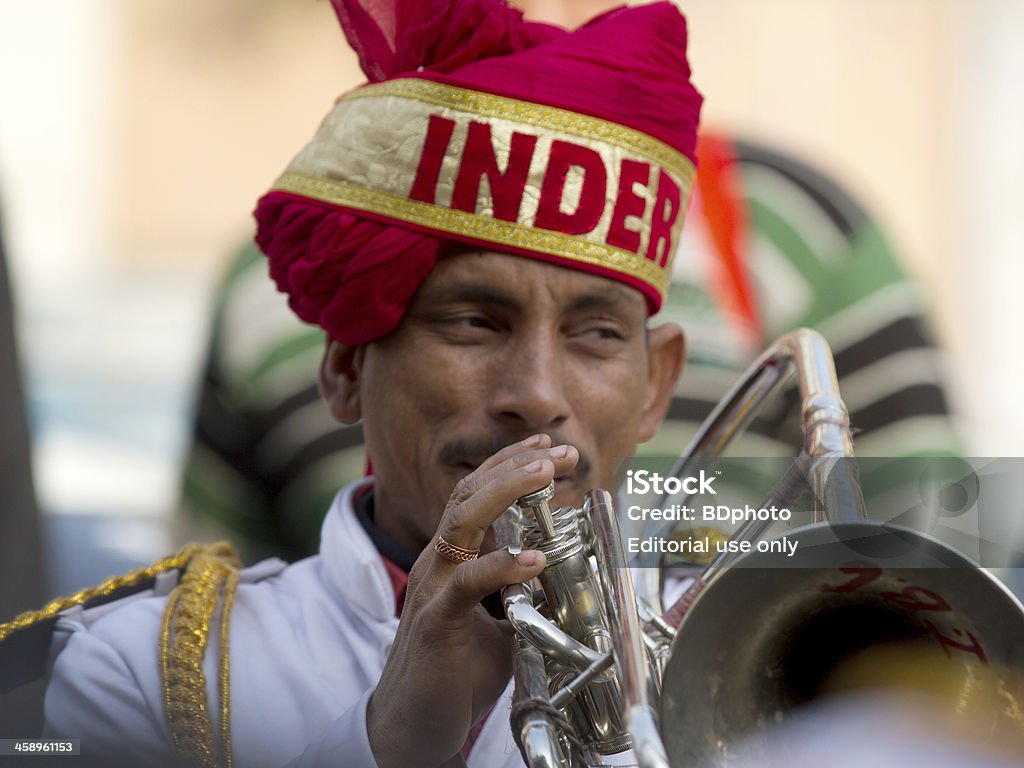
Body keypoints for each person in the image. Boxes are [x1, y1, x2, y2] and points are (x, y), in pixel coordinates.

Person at [24, 1, 702, 765]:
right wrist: (384, 741)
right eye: (474, 323)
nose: (539, 393)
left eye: (598, 334)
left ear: (656, 387)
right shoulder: (143, 669)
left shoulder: (744, 653)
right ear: (346, 369)